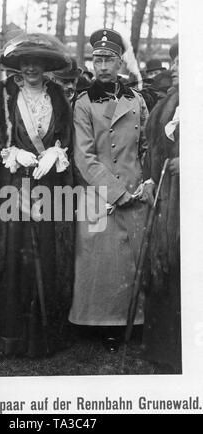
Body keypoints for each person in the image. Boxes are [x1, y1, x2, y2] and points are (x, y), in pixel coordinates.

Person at [0, 33, 74, 360]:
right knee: (14, 257)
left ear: (47, 65)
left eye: (38, 62)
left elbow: (67, 138)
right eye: (25, 62)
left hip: (48, 187)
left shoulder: (60, 98)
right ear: (19, 65)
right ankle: (13, 338)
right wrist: (12, 151)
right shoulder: (5, 96)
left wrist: (55, 152)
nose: (31, 67)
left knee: (47, 256)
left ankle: (44, 338)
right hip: (13, 185)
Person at [68, 29, 149, 352]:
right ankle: (101, 324)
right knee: (101, 263)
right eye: (97, 59)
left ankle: (135, 318)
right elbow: (84, 156)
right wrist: (115, 191)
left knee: (132, 259)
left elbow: (145, 146)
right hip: (99, 193)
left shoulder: (137, 100)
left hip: (136, 191)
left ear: (119, 62)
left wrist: (145, 182)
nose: (102, 66)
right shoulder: (83, 104)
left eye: (108, 60)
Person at [141, 42, 181, 374]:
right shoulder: (167, 102)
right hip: (166, 194)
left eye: (184, 61)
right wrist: (149, 178)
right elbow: (152, 146)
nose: (177, 66)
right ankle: (162, 349)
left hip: (189, 201)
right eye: (175, 61)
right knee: (164, 262)